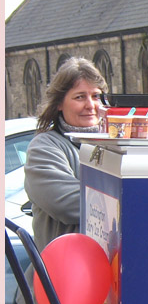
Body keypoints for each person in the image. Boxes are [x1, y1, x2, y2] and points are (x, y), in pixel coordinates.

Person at [24, 57, 107, 251]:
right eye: (79, 97)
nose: (90, 105)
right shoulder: (44, 147)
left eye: (96, 96)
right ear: (59, 103)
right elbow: (67, 204)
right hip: (63, 276)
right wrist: (133, 198)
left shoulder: (114, 145)